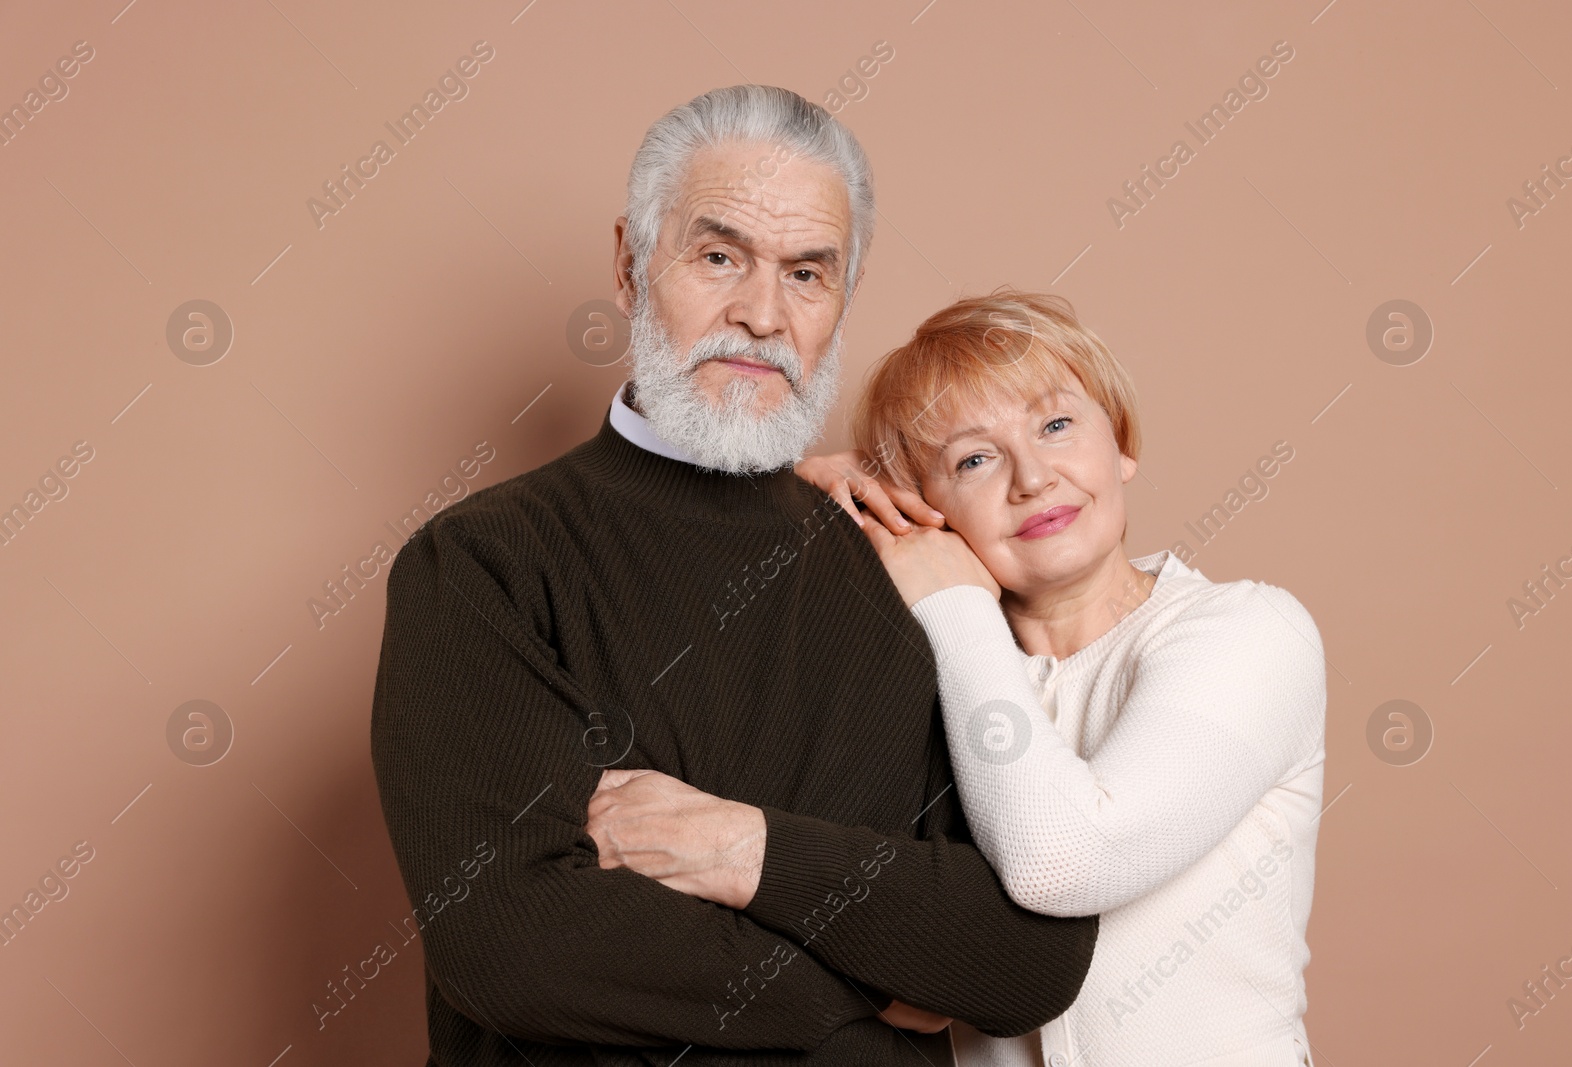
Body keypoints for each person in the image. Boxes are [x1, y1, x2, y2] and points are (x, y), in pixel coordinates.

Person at [369, 87, 1096, 1067]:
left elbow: (1025, 958)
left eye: (806, 272)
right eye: (718, 257)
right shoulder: (482, 563)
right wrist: (882, 974)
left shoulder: (913, 566)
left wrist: (738, 848)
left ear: (846, 292)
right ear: (629, 264)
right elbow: (511, 947)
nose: (760, 314)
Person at [794, 291, 1328, 1065]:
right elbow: (886, 965)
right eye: (974, 459)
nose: (1033, 478)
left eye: (1055, 426)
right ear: (922, 508)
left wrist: (950, 595)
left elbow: (1065, 860)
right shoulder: (931, 669)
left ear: (1121, 445)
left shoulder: (1249, 632)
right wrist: (789, 500)